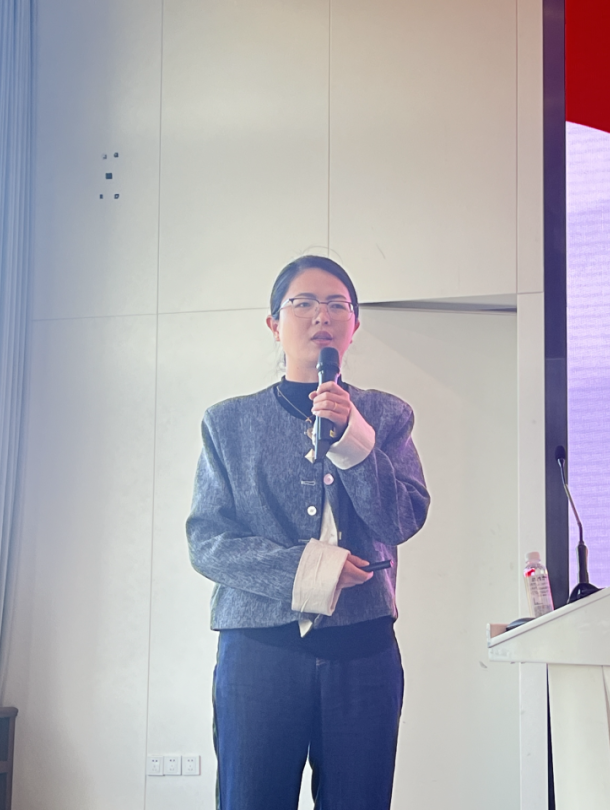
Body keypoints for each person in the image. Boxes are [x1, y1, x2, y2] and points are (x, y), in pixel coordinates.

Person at [187, 256, 430, 810]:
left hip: (364, 651)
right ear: (274, 323)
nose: (322, 315)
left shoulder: (387, 415)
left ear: (354, 325)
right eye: (303, 303)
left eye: (338, 304)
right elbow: (207, 541)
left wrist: (353, 439)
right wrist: (310, 570)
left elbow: (402, 519)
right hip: (258, 652)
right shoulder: (227, 422)